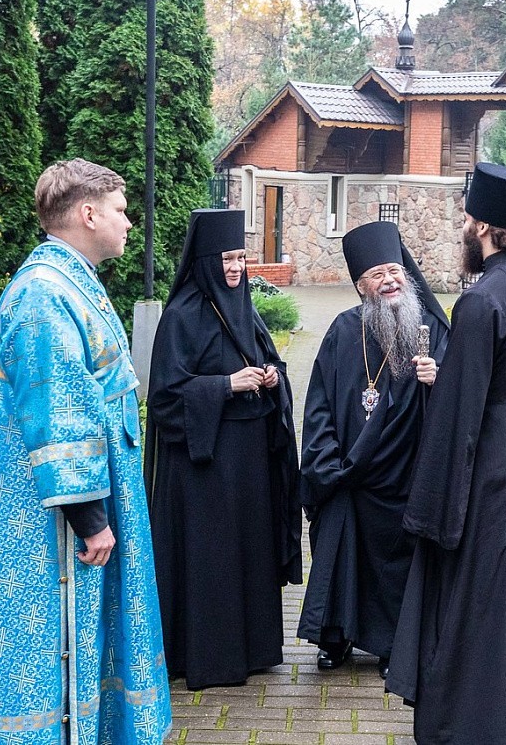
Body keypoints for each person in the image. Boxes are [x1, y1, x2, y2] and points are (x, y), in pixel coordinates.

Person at [0, 159, 171, 744]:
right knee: (58, 639)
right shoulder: (43, 293)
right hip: (57, 524)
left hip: (92, 502)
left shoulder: (69, 281)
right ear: (88, 213)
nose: (128, 223)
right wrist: (91, 519)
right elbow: (56, 412)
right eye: (121, 210)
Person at [386, 162, 506, 745]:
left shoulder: (481, 301)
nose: (463, 226)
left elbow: (460, 409)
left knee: (475, 586)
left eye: (466, 217)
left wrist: (432, 504)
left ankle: (469, 720)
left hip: (485, 456)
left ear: (483, 226)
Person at [144, 209, 302, 690]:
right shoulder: (180, 317)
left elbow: (269, 360)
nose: (235, 269)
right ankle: (210, 657)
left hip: (250, 460)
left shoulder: (245, 308)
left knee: (248, 553)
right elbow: (164, 400)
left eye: (240, 259)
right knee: (212, 558)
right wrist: (226, 385)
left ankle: (255, 651)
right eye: (226, 260)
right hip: (206, 466)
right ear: (205, 262)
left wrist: (272, 376)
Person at [297, 221, 450, 679]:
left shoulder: (430, 330)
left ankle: (393, 646)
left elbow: (461, 394)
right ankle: (336, 635)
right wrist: (325, 459)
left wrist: (437, 380)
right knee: (340, 534)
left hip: (406, 469)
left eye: (394, 270)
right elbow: (318, 403)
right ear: (361, 285)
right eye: (377, 274)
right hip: (350, 469)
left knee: (400, 552)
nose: (389, 280)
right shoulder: (343, 330)